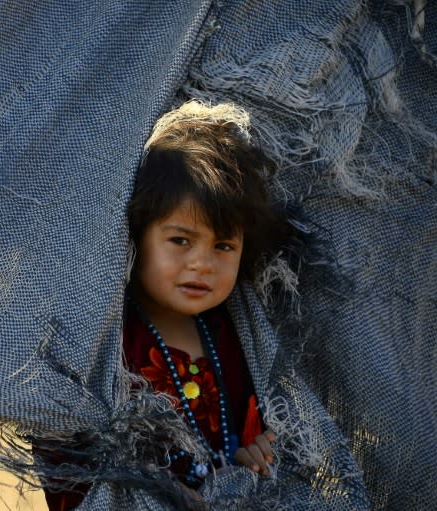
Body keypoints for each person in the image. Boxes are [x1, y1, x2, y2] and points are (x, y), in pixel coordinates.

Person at [43, 100, 292, 509]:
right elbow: (71, 456)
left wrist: (255, 454)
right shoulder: (104, 344)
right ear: (135, 236)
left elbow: (256, 436)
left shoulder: (240, 337)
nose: (202, 264)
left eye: (223, 245)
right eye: (180, 240)